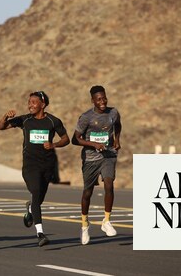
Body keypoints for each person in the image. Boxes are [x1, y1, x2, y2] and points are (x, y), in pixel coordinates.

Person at [0, 91, 69, 247]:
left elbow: (66, 139)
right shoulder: (25, 120)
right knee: (36, 192)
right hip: (30, 166)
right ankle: (40, 233)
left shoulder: (53, 121)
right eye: (29, 102)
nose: (30, 105)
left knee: (39, 199)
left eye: (34, 102)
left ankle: (30, 207)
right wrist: (5, 116)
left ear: (42, 104)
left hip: (47, 166)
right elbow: (1, 127)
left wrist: (53, 145)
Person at [71, 85, 122, 245]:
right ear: (93, 100)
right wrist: (92, 144)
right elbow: (75, 139)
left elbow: (118, 125)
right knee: (87, 193)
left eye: (104, 98)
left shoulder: (113, 113)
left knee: (109, 184)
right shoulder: (86, 117)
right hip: (91, 158)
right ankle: (85, 224)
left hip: (108, 155)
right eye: (99, 99)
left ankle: (106, 221)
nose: (103, 101)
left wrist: (117, 140)